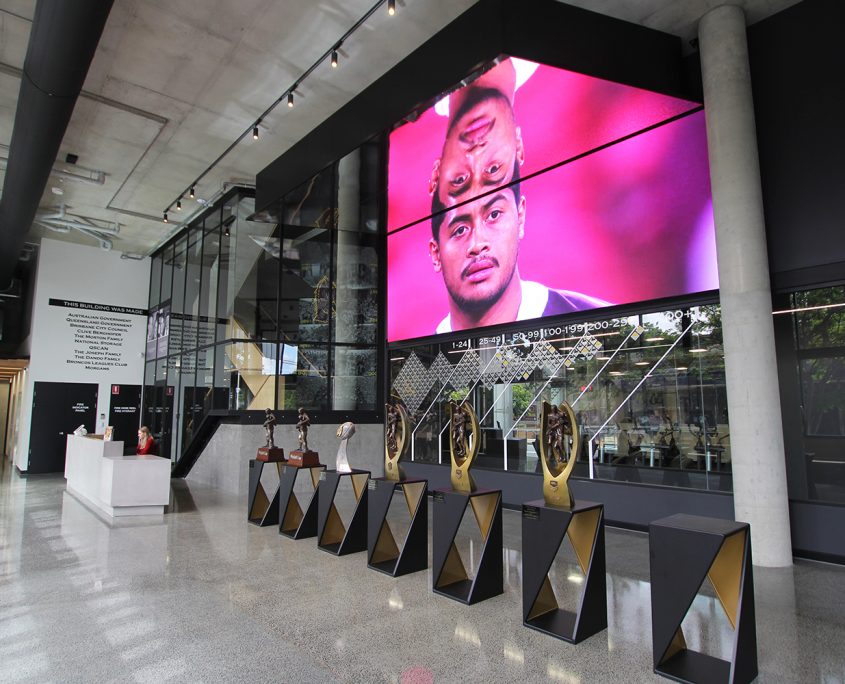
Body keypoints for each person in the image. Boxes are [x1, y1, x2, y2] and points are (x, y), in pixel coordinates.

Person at [427, 62, 609, 333]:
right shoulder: (419, 360)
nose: (478, 244)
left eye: (494, 215)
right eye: (460, 228)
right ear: (435, 252)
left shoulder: (600, 324)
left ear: (520, 215)